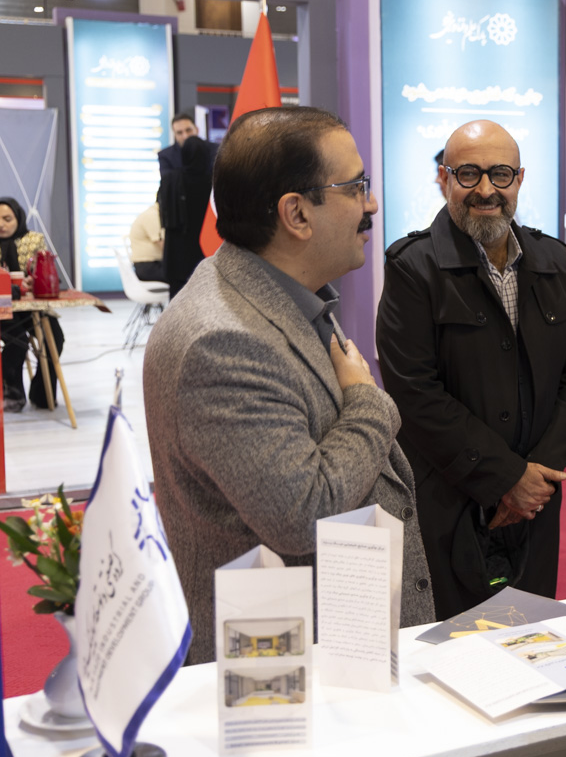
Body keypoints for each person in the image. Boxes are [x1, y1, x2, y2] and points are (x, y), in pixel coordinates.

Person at [144, 106, 434, 665]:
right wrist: (369, 404)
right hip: (282, 675)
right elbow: (303, 512)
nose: (372, 204)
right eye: (356, 187)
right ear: (296, 213)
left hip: (340, 647)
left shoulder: (282, 296)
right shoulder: (223, 342)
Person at [376, 120, 566, 619]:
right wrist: (505, 479)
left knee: (532, 636)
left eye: (500, 174)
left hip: (538, 503)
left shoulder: (553, 260)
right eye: (468, 174)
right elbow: (415, 393)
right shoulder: (413, 267)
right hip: (452, 500)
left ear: (519, 179)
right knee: (453, 645)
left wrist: (537, 476)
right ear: (444, 178)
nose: (485, 190)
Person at [0, 197, 45, 413]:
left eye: (7, 219)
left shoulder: (33, 240)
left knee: (54, 337)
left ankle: (42, 393)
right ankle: (12, 393)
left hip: (30, 307)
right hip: (3, 310)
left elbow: (42, 272)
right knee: (16, 338)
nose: (1, 224)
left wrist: (33, 281)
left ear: (18, 218)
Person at [157, 135, 215, 298]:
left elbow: (162, 209)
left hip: (176, 256)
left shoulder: (171, 180)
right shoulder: (212, 184)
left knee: (177, 302)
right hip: (204, 255)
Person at [127, 201, 165, 282]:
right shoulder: (152, 216)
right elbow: (164, 246)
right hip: (148, 267)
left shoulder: (153, 213)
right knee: (181, 276)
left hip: (150, 265)